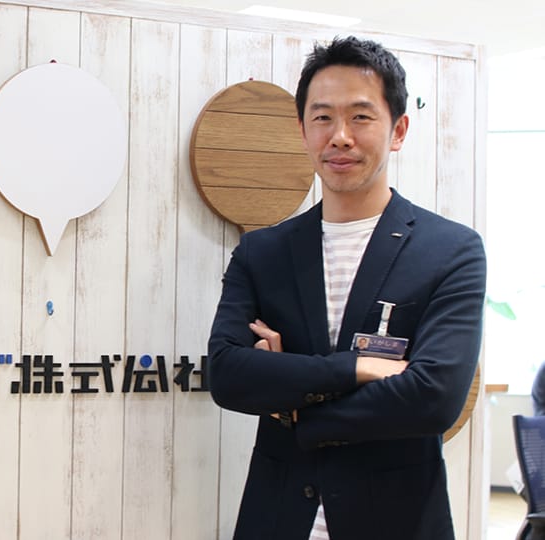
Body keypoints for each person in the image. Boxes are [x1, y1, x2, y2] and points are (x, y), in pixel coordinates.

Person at [207, 36, 486, 540]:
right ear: (302, 130)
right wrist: (357, 368)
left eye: (360, 117)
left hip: (396, 523)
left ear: (398, 130)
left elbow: (435, 397)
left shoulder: (450, 251)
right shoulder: (262, 253)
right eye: (322, 117)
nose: (339, 136)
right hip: (277, 520)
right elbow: (227, 375)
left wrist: (297, 407)